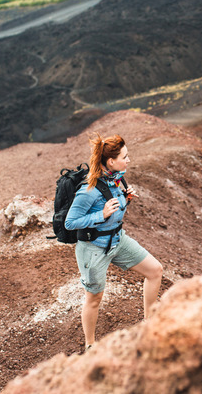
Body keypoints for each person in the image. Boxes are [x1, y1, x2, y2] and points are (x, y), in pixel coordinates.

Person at [65, 133, 163, 351]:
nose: (128, 160)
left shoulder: (116, 179)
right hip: (93, 249)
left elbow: (114, 209)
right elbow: (70, 223)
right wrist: (101, 215)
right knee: (94, 299)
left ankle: (149, 325)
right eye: (125, 156)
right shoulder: (87, 190)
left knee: (155, 270)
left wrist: (125, 199)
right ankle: (90, 345)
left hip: (118, 240)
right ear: (111, 161)